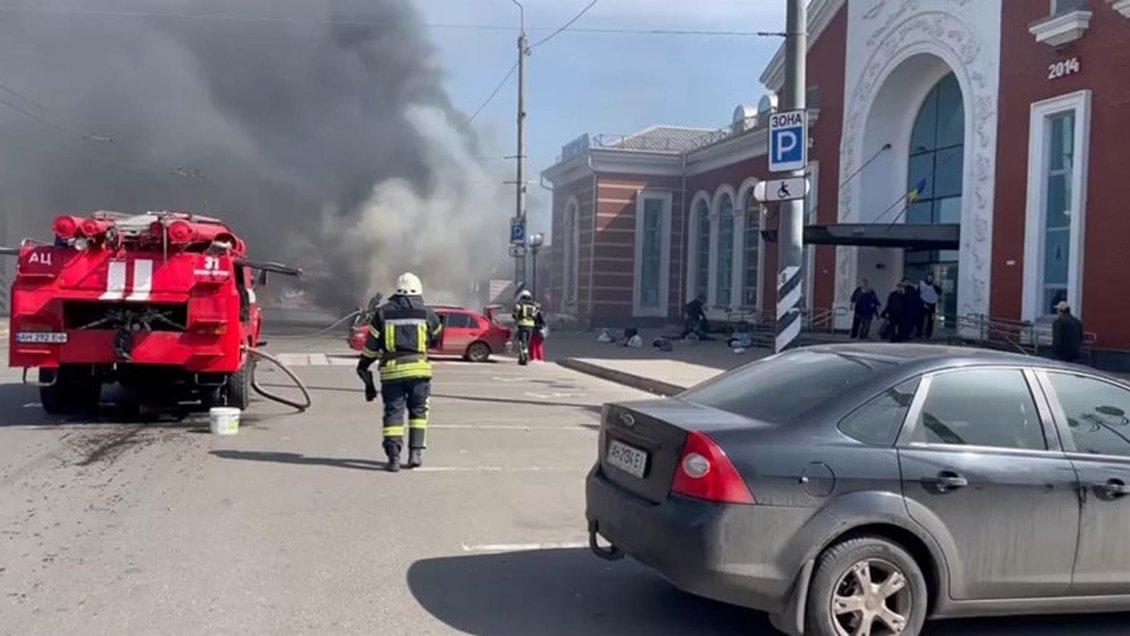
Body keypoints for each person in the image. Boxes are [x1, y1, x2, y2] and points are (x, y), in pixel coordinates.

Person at [356, 272, 443, 472]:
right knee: (418, 412)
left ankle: (393, 457)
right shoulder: (427, 313)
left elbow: (371, 346)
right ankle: (415, 454)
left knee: (393, 413)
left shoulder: (382, 313)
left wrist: (364, 365)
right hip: (419, 370)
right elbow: (437, 337)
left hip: (392, 372)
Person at [512, 289, 543, 366]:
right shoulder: (534, 305)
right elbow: (537, 315)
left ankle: (523, 356)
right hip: (531, 326)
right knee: (527, 342)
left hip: (522, 325)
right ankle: (525, 354)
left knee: (522, 341)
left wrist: (516, 317)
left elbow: (515, 314)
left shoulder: (520, 304)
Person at [917, 274, 943, 339]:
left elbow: (940, 292)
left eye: (931, 278)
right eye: (929, 277)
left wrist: (935, 285)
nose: (930, 279)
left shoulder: (935, 286)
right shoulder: (922, 284)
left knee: (931, 319)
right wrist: (922, 303)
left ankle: (928, 334)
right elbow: (918, 294)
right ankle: (919, 333)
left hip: (932, 305)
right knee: (920, 319)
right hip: (923, 304)